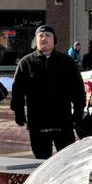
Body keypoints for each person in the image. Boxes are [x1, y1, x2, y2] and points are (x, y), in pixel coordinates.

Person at [11, 25, 85, 159]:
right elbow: (18, 91)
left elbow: (77, 89)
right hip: (37, 123)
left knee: (67, 162)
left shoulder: (67, 62)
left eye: (48, 35)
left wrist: (79, 111)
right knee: (41, 163)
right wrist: (19, 112)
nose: (44, 38)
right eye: (40, 36)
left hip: (63, 122)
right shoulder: (26, 63)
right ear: (36, 40)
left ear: (54, 40)